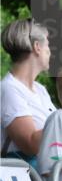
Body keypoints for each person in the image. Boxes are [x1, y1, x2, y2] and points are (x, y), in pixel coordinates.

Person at [1, 18, 56, 166]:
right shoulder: (9, 89)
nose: (50, 51)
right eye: (48, 45)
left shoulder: (40, 90)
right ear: (37, 47)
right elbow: (30, 144)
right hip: (26, 177)